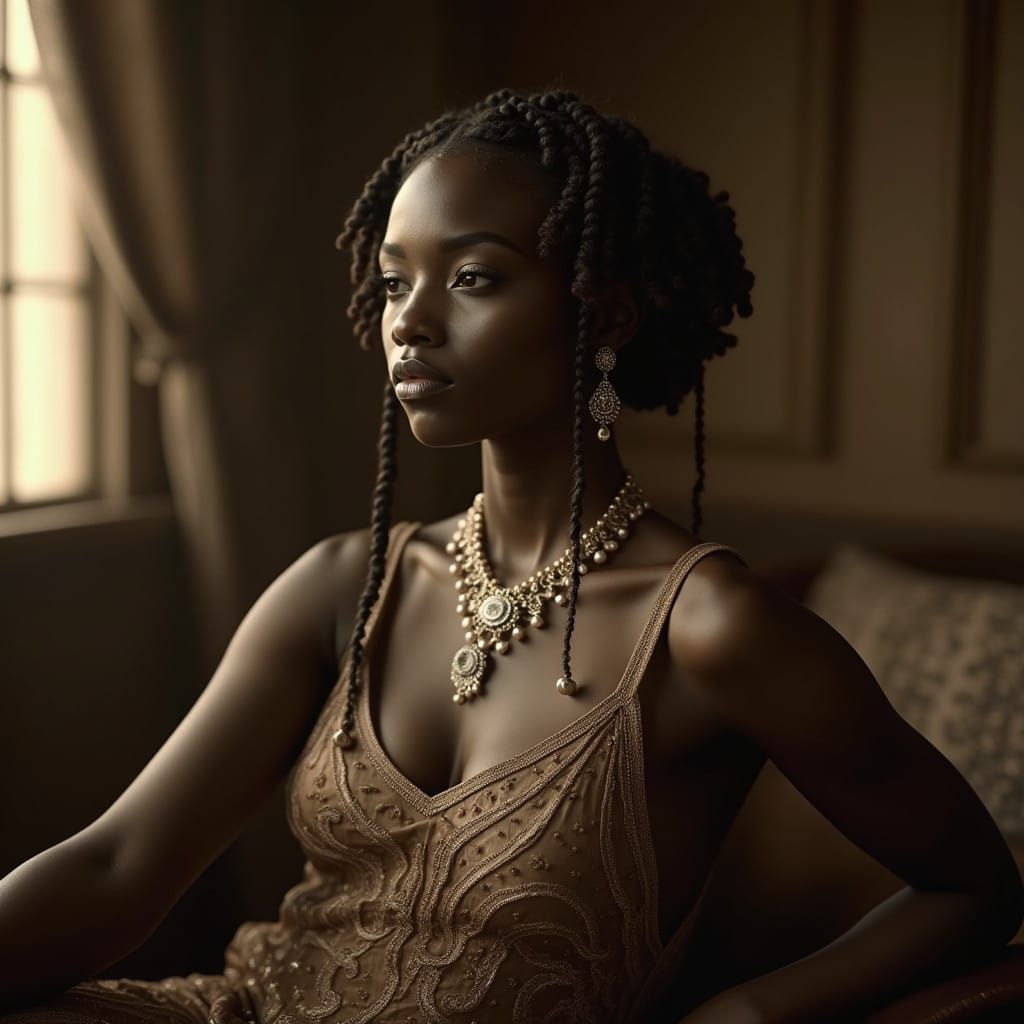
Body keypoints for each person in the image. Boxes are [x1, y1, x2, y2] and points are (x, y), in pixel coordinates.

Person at [0, 87, 1021, 1024]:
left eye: (475, 277)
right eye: (396, 280)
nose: (411, 320)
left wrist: (741, 1017)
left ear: (605, 310)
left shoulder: (711, 629)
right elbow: (117, 864)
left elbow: (972, 887)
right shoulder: (343, 588)